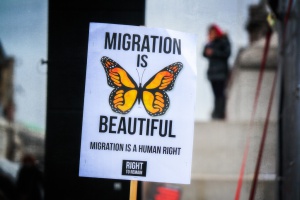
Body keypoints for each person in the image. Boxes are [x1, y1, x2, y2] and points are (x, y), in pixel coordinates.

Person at [203, 24, 231, 119]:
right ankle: (216, 113)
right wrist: (209, 43)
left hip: (221, 73)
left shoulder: (223, 41)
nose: (211, 35)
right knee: (216, 94)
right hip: (213, 74)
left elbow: (227, 53)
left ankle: (220, 113)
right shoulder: (211, 43)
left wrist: (214, 52)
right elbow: (204, 53)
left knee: (220, 94)